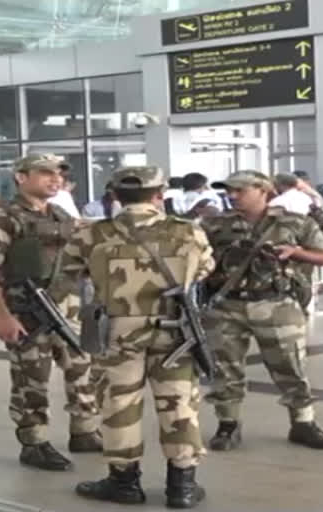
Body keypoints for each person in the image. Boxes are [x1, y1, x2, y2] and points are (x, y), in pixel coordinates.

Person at [52, 165, 214, 508]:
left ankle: (124, 483)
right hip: (176, 329)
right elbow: (204, 269)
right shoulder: (188, 232)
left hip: (118, 330)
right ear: (159, 195)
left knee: (120, 402)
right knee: (179, 403)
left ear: (114, 195)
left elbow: (65, 279)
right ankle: (182, 486)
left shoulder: (91, 235)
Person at [0, 153, 101, 471]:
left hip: (68, 305)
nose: (55, 179)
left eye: (58, 174)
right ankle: (34, 441)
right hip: (27, 309)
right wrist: (1, 315)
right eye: (45, 173)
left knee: (82, 367)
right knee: (32, 376)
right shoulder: (2, 215)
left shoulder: (59, 214)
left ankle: (84, 430)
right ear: (21, 177)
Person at [201, 171, 323, 451]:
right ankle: (228, 425)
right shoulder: (214, 225)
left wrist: (295, 252)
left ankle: (303, 423)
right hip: (227, 305)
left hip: (276, 304)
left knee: (291, 366)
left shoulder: (293, 222)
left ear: (263, 190)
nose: (232, 196)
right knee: (225, 368)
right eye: (229, 191)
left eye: (240, 190)